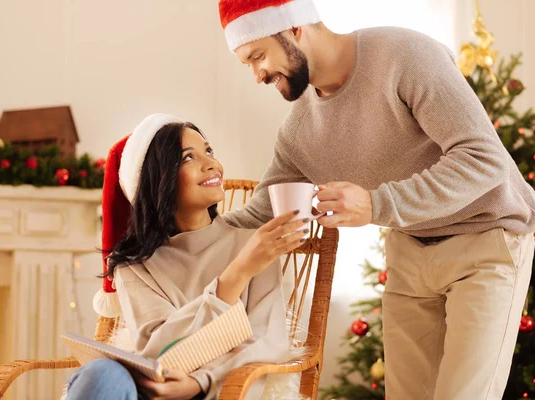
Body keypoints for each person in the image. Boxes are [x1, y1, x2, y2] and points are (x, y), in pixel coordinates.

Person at [216, 1, 535, 399]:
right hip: (408, 254)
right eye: (246, 62)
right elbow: (257, 215)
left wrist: (376, 204)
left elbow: (484, 160)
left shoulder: (405, 56)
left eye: (258, 56)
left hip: (486, 242)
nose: (256, 74)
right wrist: (166, 236)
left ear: (295, 28)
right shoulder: (299, 131)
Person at [65, 114, 307, 400]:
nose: (212, 164)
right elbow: (159, 352)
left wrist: (200, 382)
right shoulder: (134, 268)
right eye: (188, 158)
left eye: (208, 151)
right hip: (152, 392)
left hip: (220, 392)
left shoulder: (253, 244)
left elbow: (269, 341)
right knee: (102, 373)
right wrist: (235, 275)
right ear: (159, 179)